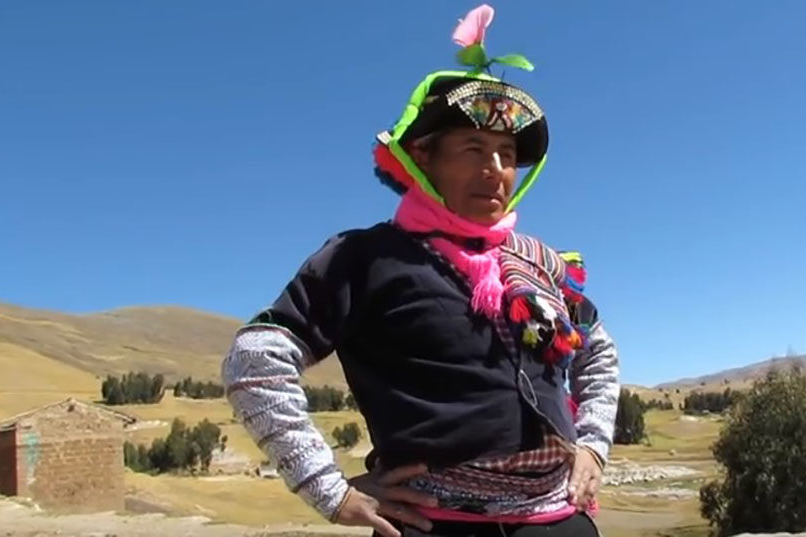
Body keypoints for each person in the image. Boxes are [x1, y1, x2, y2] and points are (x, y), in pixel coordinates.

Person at [222, 5, 620, 537]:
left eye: (506, 154)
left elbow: (598, 352)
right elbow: (255, 359)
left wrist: (592, 445)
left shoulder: (541, 263)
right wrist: (327, 488)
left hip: (558, 521)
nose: (495, 170)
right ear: (422, 158)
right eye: (473, 149)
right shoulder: (365, 258)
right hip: (434, 524)